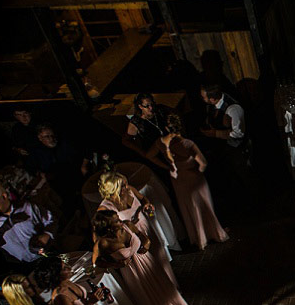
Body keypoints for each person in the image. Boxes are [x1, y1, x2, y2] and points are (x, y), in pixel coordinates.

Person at [92, 210, 195, 305]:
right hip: (131, 272)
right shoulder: (104, 243)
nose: (120, 221)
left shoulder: (127, 225)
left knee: (162, 286)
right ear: (108, 226)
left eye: (118, 218)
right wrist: (116, 264)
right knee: (146, 296)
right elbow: (98, 262)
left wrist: (146, 242)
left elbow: (143, 237)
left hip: (147, 261)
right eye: (116, 220)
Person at [158, 113, 229, 250]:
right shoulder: (187, 144)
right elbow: (203, 163)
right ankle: (214, 233)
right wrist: (198, 171)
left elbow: (150, 155)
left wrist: (167, 167)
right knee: (205, 206)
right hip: (194, 178)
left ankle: (199, 239)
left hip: (178, 180)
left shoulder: (162, 143)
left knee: (189, 209)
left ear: (167, 128)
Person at [97, 171, 175, 284]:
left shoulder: (130, 190)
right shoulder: (105, 208)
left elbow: (143, 198)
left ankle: (171, 284)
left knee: (160, 256)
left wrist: (146, 204)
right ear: (113, 189)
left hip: (146, 227)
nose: (127, 187)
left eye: (126, 183)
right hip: (134, 237)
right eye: (122, 186)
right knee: (149, 267)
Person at [0, 183, 54, 267]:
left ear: (4, 196)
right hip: (24, 267)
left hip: (48, 254)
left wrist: (47, 234)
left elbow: (51, 220)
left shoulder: (26, 207)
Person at [124, 92, 175, 170]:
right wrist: (142, 152)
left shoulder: (159, 110)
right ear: (140, 106)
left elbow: (174, 115)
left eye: (152, 104)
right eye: (147, 106)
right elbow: (126, 141)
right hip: (155, 151)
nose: (151, 108)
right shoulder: (136, 121)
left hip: (169, 144)